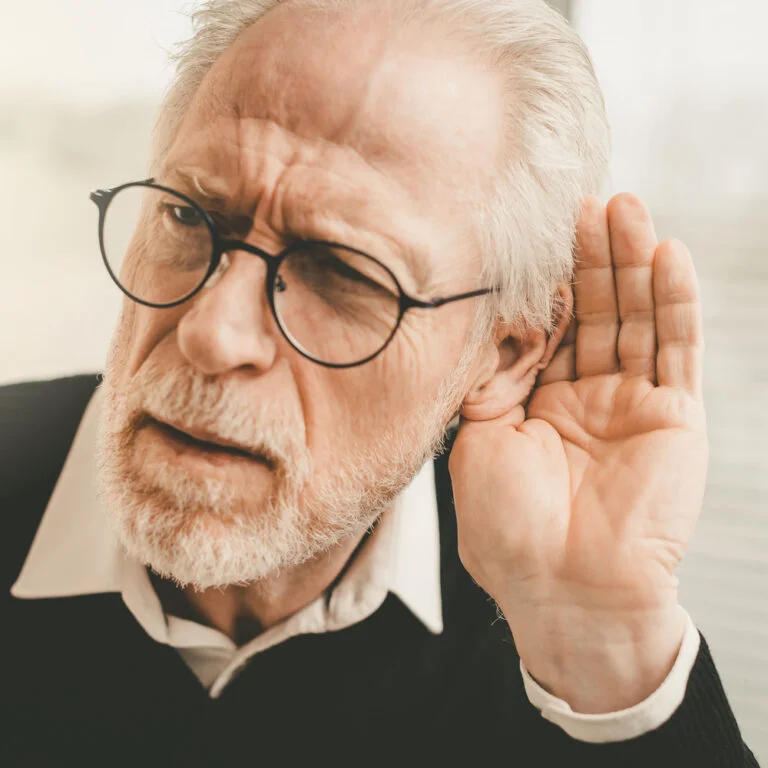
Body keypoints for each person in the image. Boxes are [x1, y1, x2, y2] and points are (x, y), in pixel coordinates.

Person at [1, 0, 759, 765]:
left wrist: (605, 652)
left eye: (339, 271)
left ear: (502, 354)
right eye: (190, 218)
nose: (209, 333)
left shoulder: (546, 626)